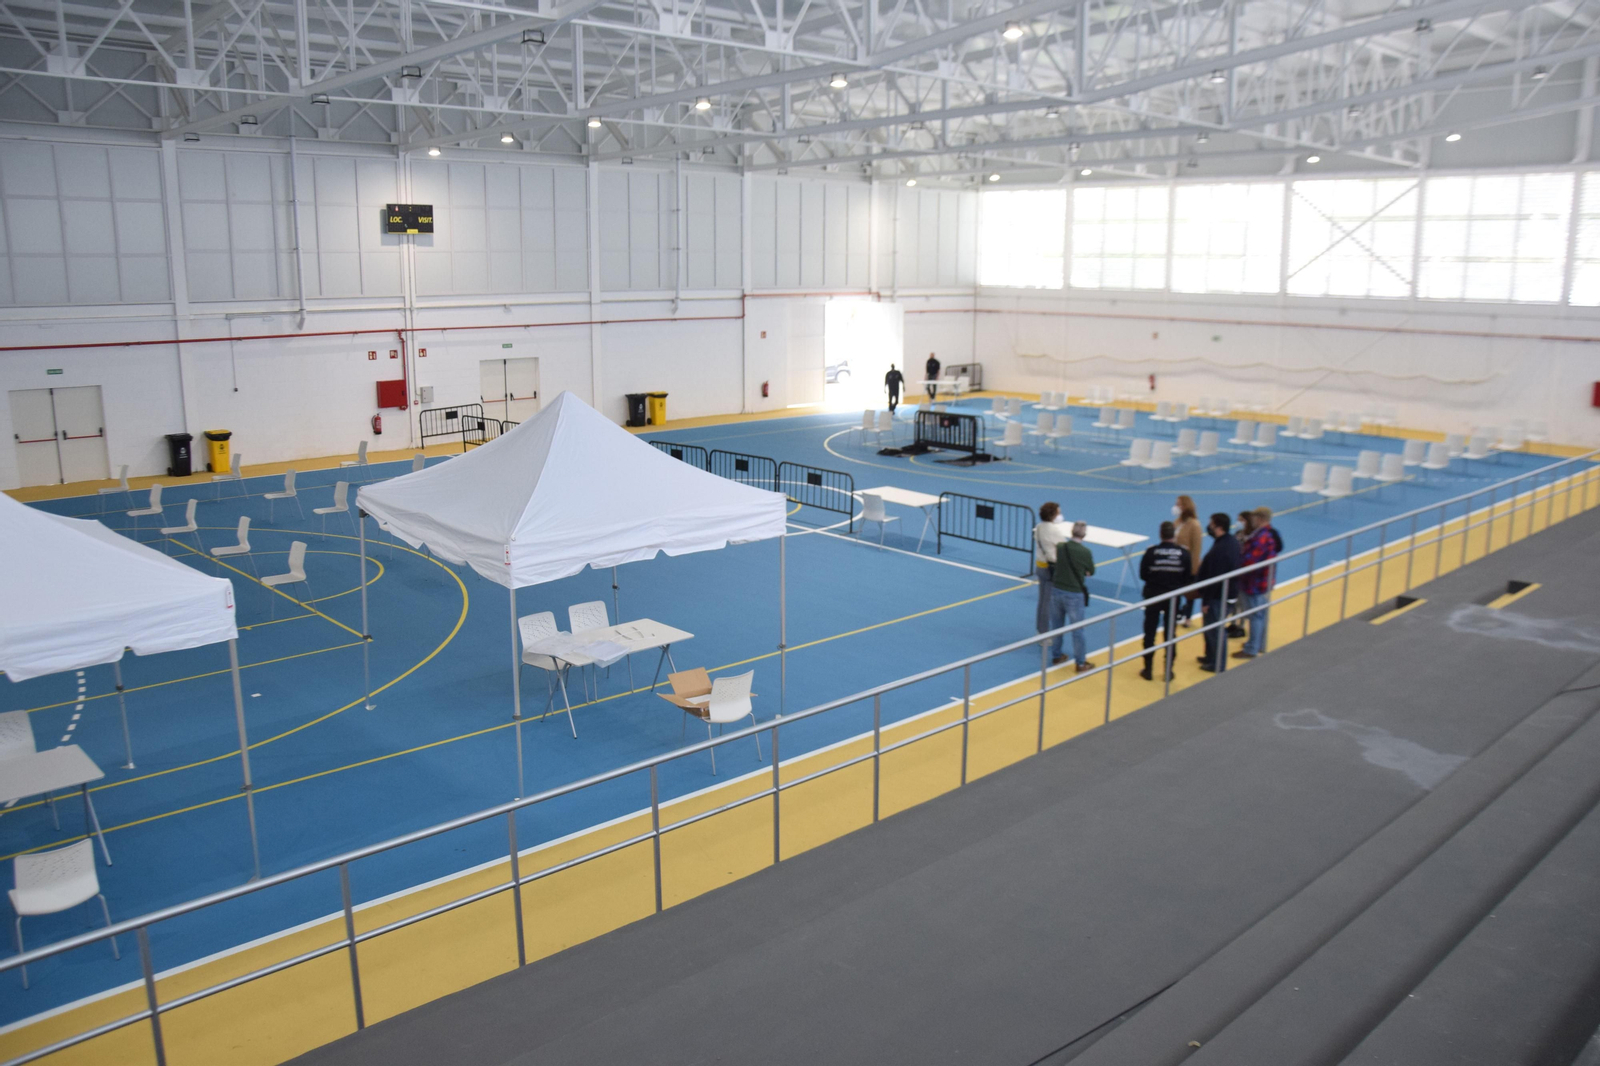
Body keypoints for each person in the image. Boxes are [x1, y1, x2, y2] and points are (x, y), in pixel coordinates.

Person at [1138, 521, 1192, 681]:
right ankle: (1168, 670)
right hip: (1173, 597)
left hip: (1153, 596)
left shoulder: (1151, 552)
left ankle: (1148, 669)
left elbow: (1143, 574)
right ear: (1174, 535)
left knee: (1149, 632)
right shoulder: (1183, 553)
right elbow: (1187, 576)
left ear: (1160, 534)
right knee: (1170, 633)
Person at [1196, 513, 1242, 672]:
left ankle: (1217, 664)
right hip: (1226, 593)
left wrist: (1206, 601)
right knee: (1210, 629)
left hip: (1218, 596)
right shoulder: (1230, 542)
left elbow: (1215, 577)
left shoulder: (1221, 549)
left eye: (1211, 524)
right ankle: (1210, 656)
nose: (1209, 527)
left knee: (1215, 630)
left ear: (1218, 527)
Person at [1049, 522, 1095, 671]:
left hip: (1057, 590)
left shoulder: (1061, 547)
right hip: (1074, 594)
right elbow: (1090, 571)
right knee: (1078, 630)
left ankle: (1056, 655)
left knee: (1056, 626)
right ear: (1084, 534)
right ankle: (1080, 662)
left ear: (1071, 532)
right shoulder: (1085, 552)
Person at [1235, 506, 1280, 659]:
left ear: (1259, 518)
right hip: (1261, 580)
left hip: (1254, 583)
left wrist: (1237, 562)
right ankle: (1258, 643)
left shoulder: (1261, 536)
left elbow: (1250, 560)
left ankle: (1252, 648)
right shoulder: (1267, 534)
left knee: (1255, 615)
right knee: (1260, 614)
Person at [1033, 502, 1069, 635]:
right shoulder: (1054, 530)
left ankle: (1040, 629)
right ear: (1053, 515)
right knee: (1048, 603)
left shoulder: (1039, 527)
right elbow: (1065, 547)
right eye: (1058, 513)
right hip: (1050, 569)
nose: (1060, 515)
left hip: (1040, 566)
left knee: (1042, 600)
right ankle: (1045, 633)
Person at [1172, 495, 1202, 626]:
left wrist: (1193, 569)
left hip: (1189, 563)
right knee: (1175, 589)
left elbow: (1196, 549)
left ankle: (1188, 617)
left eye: (1179, 504)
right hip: (1176, 562)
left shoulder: (1194, 525)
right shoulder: (1177, 522)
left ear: (1185, 506)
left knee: (1189, 592)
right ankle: (1176, 612)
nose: (1176, 507)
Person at [1226, 510, 1253, 638]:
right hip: (1235, 570)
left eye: (1241, 520)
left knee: (1242, 601)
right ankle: (1233, 623)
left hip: (1244, 573)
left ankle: (1241, 626)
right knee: (1234, 600)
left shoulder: (1250, 536)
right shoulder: (1237, 534)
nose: (1238, 522)